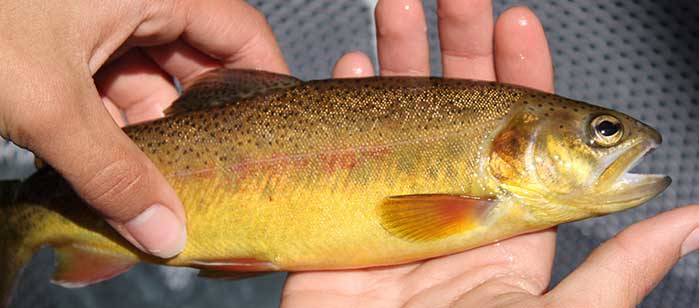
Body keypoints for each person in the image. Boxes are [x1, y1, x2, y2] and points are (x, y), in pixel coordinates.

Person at [0, 0, 695, 307]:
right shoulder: (483, 195)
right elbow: (414, 222)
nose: (625, 142)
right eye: (601, 133)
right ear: (510, 146)